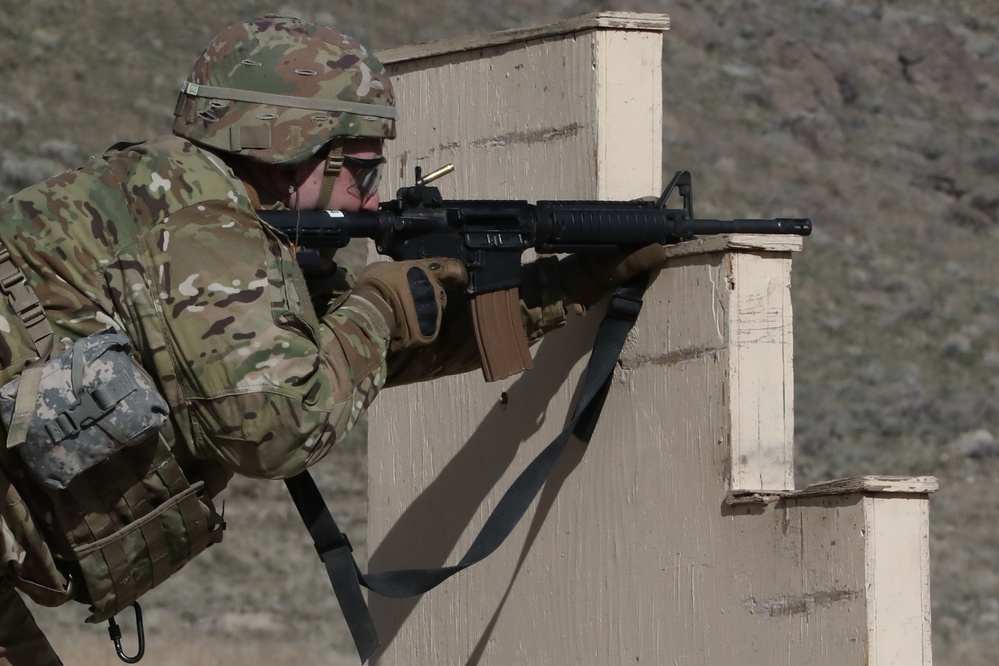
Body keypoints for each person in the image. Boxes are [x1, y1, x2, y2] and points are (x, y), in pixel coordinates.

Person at [0, 16, 669, 664]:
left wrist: (573, 284)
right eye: (363, 172)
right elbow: (277, 429)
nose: (371, 203)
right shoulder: (209, 232)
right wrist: (378, 305)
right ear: (292, 151)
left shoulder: (165, 199)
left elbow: (344, 355)